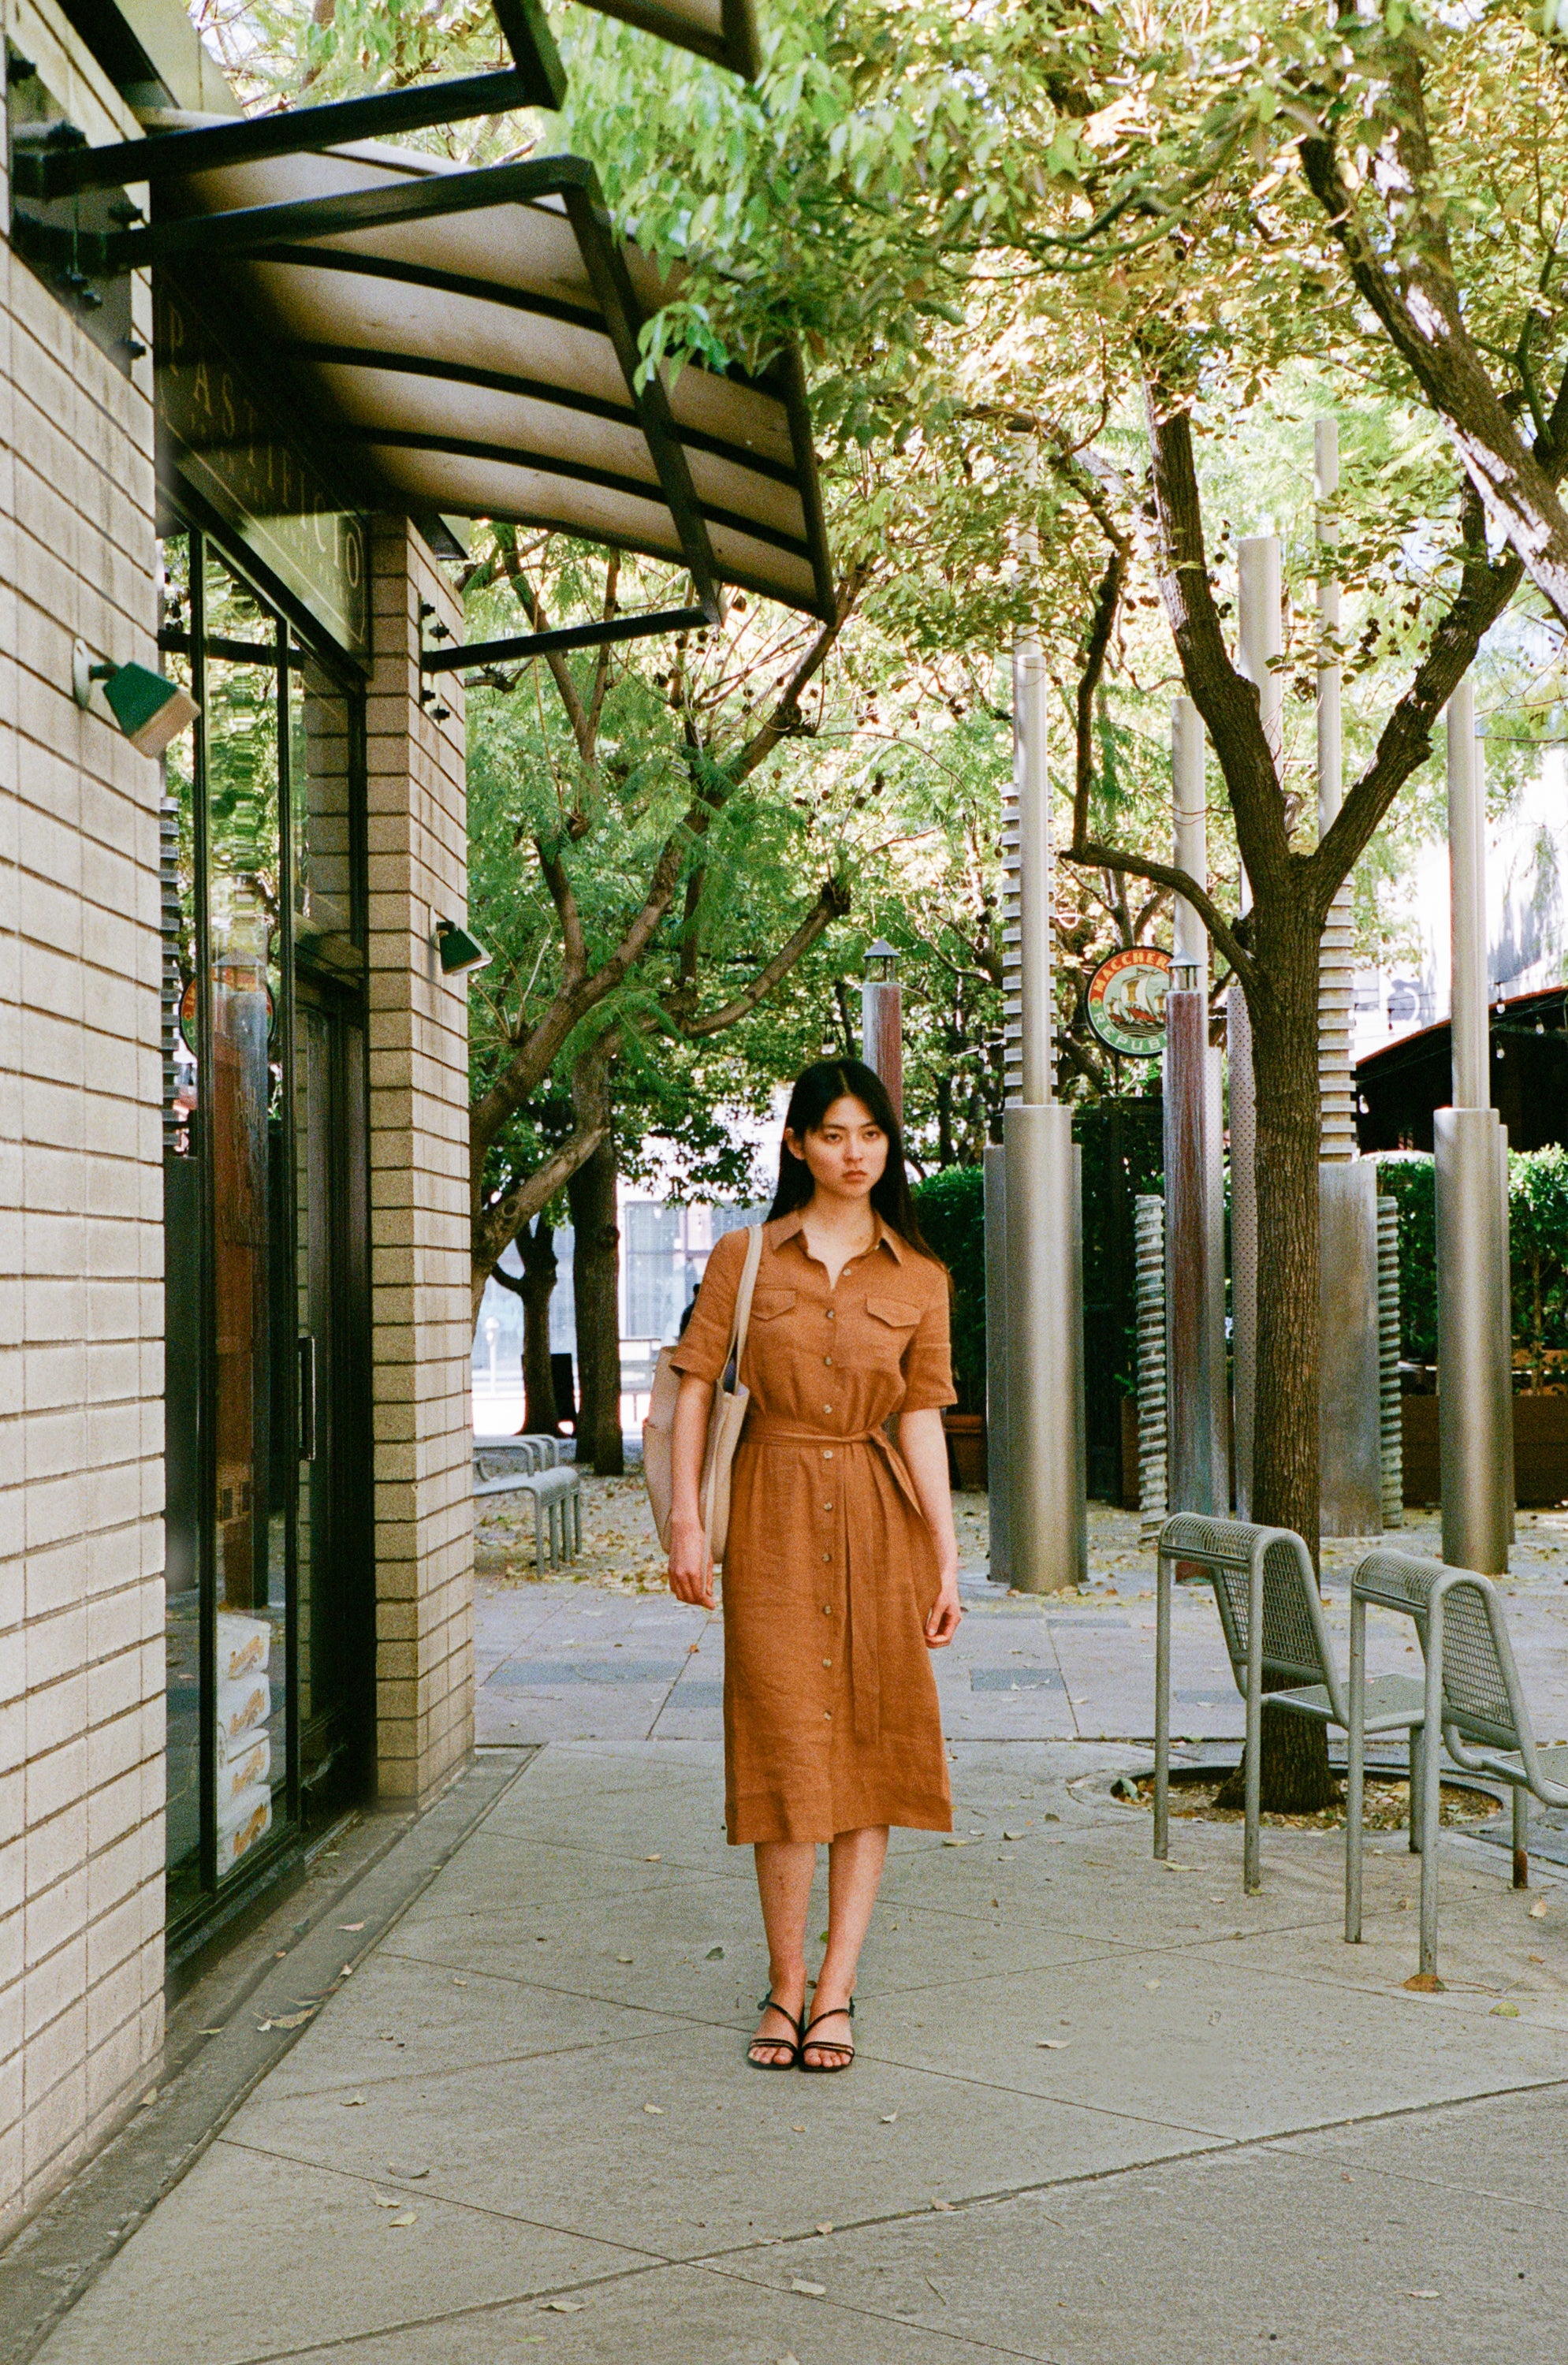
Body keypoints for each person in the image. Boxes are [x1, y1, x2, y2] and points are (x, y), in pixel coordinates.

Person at [665, 1060, 963, 2073]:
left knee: (872, 1751)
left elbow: (921, 1419)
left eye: (870, 1134)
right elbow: (696, 1389)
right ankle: (784, 1985)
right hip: (775, 1512)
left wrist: (947, 1561)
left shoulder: (919, 1277)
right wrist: (684, 1529)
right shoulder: (746, 1256)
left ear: (889, 1145)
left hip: (882, 1522)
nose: (854, 1153)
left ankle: (837, 1990)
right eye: (833, 1134)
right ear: (797, 1144)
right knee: (786, 1743)